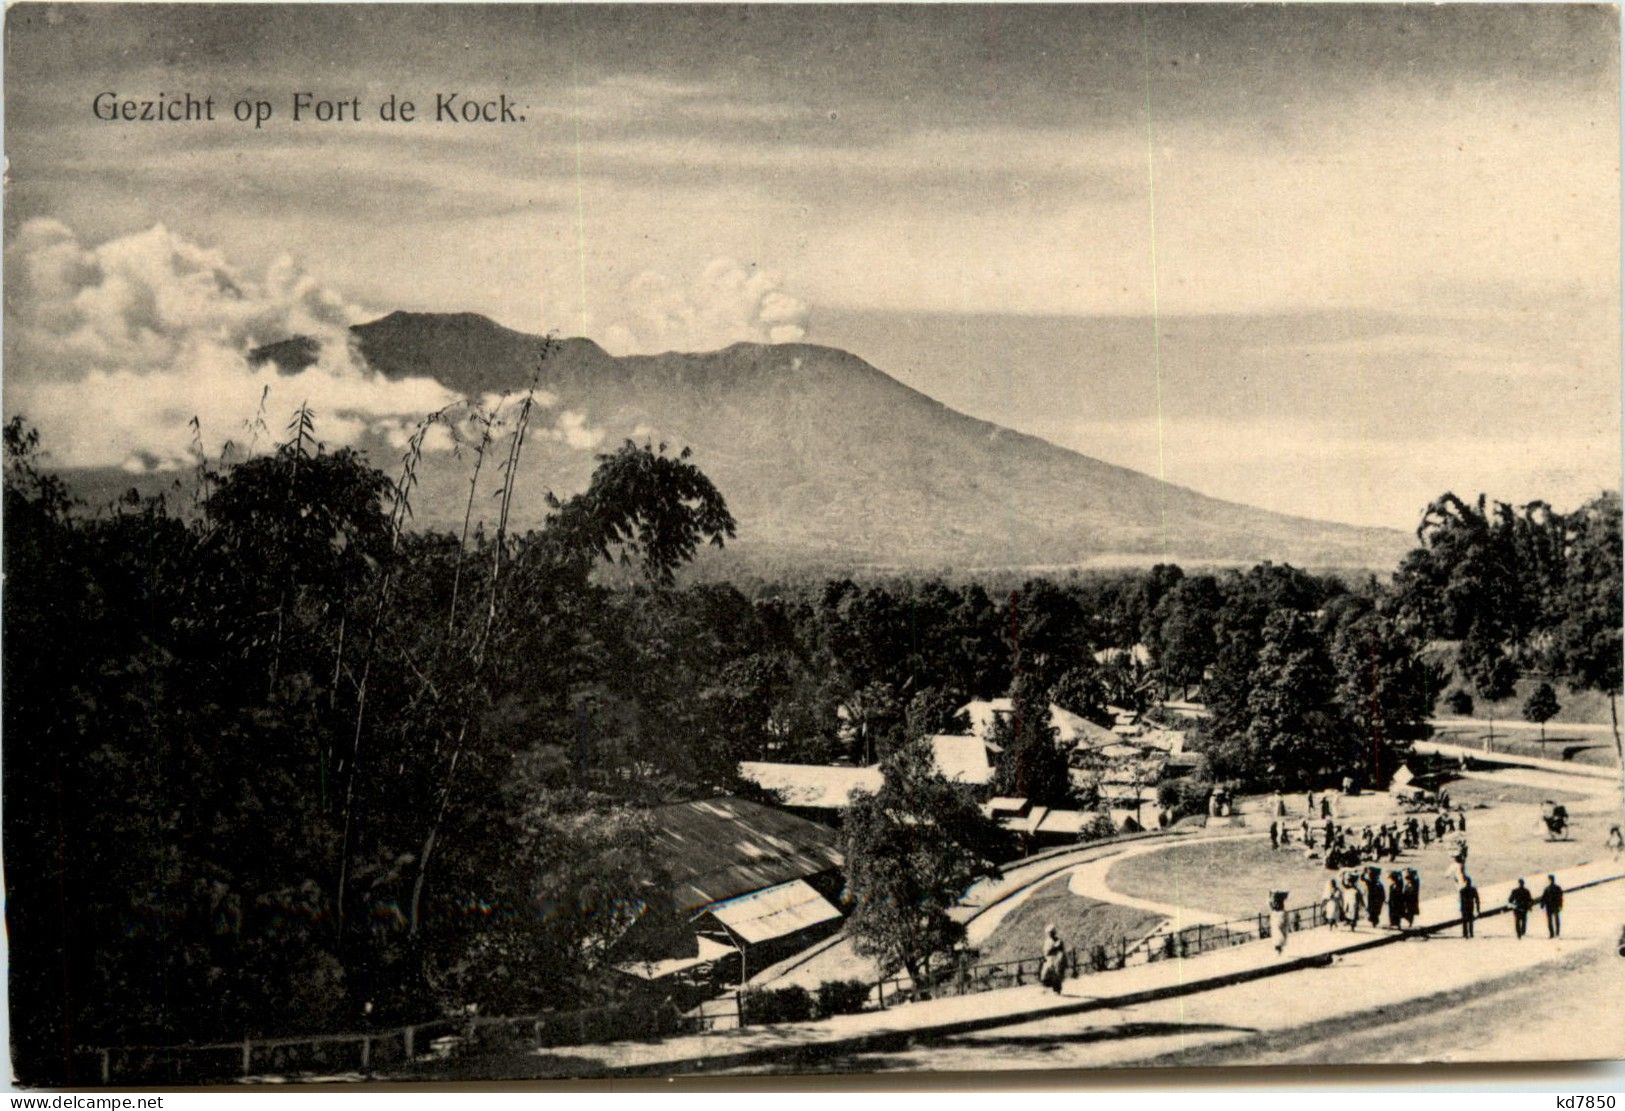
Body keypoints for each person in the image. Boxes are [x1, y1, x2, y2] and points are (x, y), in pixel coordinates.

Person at [1040, 924, 1067, 993]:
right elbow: (1046, 952)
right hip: (1049, 960)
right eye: (1049, 933)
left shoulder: (1059, 941)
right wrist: (1054, 947)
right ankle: (1046, 988)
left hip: (1057, 960)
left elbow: (1062, 951)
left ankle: (1057, 989)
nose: (1050, 934)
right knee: (1045, 975)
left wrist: (1062, 959)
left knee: (1057, 976)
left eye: (1052, 932)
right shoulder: (1047, 941)